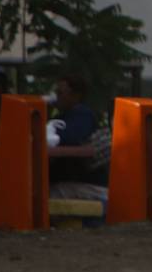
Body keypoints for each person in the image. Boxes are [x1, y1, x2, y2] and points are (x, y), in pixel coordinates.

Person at [46, 74, 108, 203]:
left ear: (76, 95)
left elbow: (68, 138)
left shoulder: (82, 115)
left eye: (60, 93)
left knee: (44, 197)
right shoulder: (63, 117)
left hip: (86, 184)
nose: (56, 97)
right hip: (71, 182)